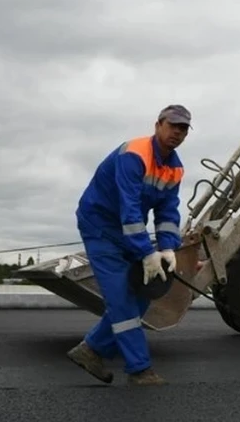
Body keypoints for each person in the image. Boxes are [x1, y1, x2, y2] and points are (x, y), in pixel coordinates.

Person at [66, 104, 191, 386]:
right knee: (122, 299)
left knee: (144, 292)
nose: (178, 133)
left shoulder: (175, 168)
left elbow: (168, 212)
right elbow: (130, 208)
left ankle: (91, 350)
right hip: (100, 226)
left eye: (183, 129)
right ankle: (139, 369)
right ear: (158, 124)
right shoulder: (134, 155)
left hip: (126, 230)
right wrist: (147, 252)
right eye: (173, 126)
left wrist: (169, 247)